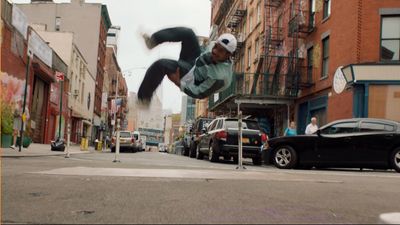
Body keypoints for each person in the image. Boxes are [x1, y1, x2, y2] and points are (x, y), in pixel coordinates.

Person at [138, 27, 237, 103]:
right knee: (189, 33)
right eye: (215, 46)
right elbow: (204, 49)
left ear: (228, 55)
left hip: (191, 77)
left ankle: (144, 98)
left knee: (161, 64)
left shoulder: (220, 78)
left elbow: (200, 92)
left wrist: (179, 83)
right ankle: (153, 41)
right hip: (194, 60)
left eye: (220, 51)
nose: (214, 51)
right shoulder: (213, 45)